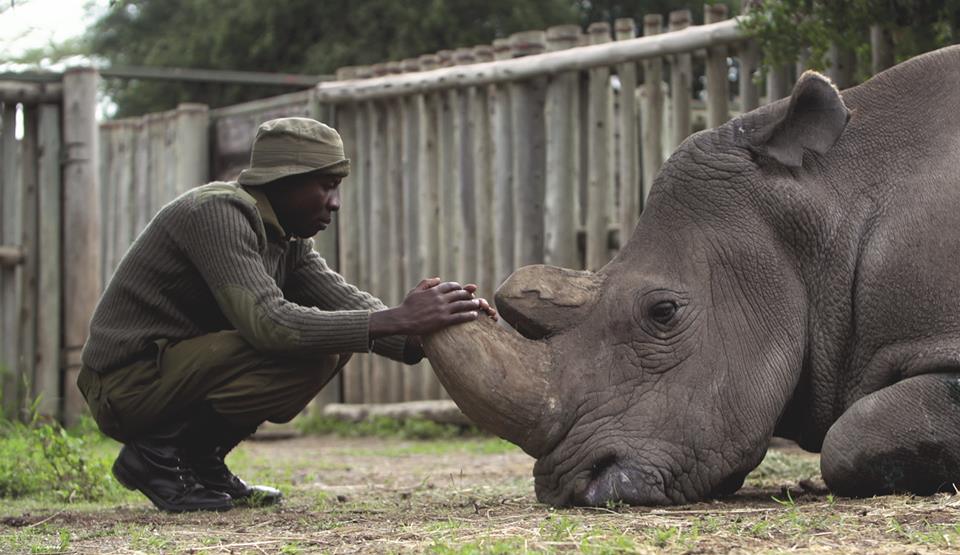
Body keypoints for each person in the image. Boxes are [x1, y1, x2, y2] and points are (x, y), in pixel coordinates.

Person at [77, 117, 496, 512]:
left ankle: (201, 461)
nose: (335, 203)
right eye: (327, 186)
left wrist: (436, 324)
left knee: (332, 343)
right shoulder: (217, 213)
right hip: (127, 385)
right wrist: (400, 318)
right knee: (310, 348)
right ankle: (155, 457)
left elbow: (347, 303)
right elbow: (268, 323)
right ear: (283, 181)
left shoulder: (287, 238)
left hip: (171, 374)